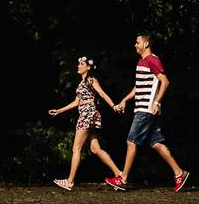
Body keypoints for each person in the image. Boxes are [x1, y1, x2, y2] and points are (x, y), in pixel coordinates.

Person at [105, 34, 190, 192]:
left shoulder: (152, 59)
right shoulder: (142, 61)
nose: (135, 45)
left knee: (131, 142)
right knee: (156, 143)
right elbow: (139, 87)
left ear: (146, 43)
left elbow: (165, 81)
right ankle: (179, 173)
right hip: (144, 109)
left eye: (137, 42)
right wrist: (124, 100)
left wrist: (157, 102)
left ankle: (122, 179)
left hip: (146, 110)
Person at [48, 56, 123, 191]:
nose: (78, 66)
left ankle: (70, 182)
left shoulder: (91, 79)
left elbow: (103, 94)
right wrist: (59, 110)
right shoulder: (81, 83)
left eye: (81, 64)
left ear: (88, 68)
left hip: (87, 115)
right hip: (88, 115)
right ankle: (119, 174)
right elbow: (76, 102)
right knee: (96, 149)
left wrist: (113, 106)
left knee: (76, 148)